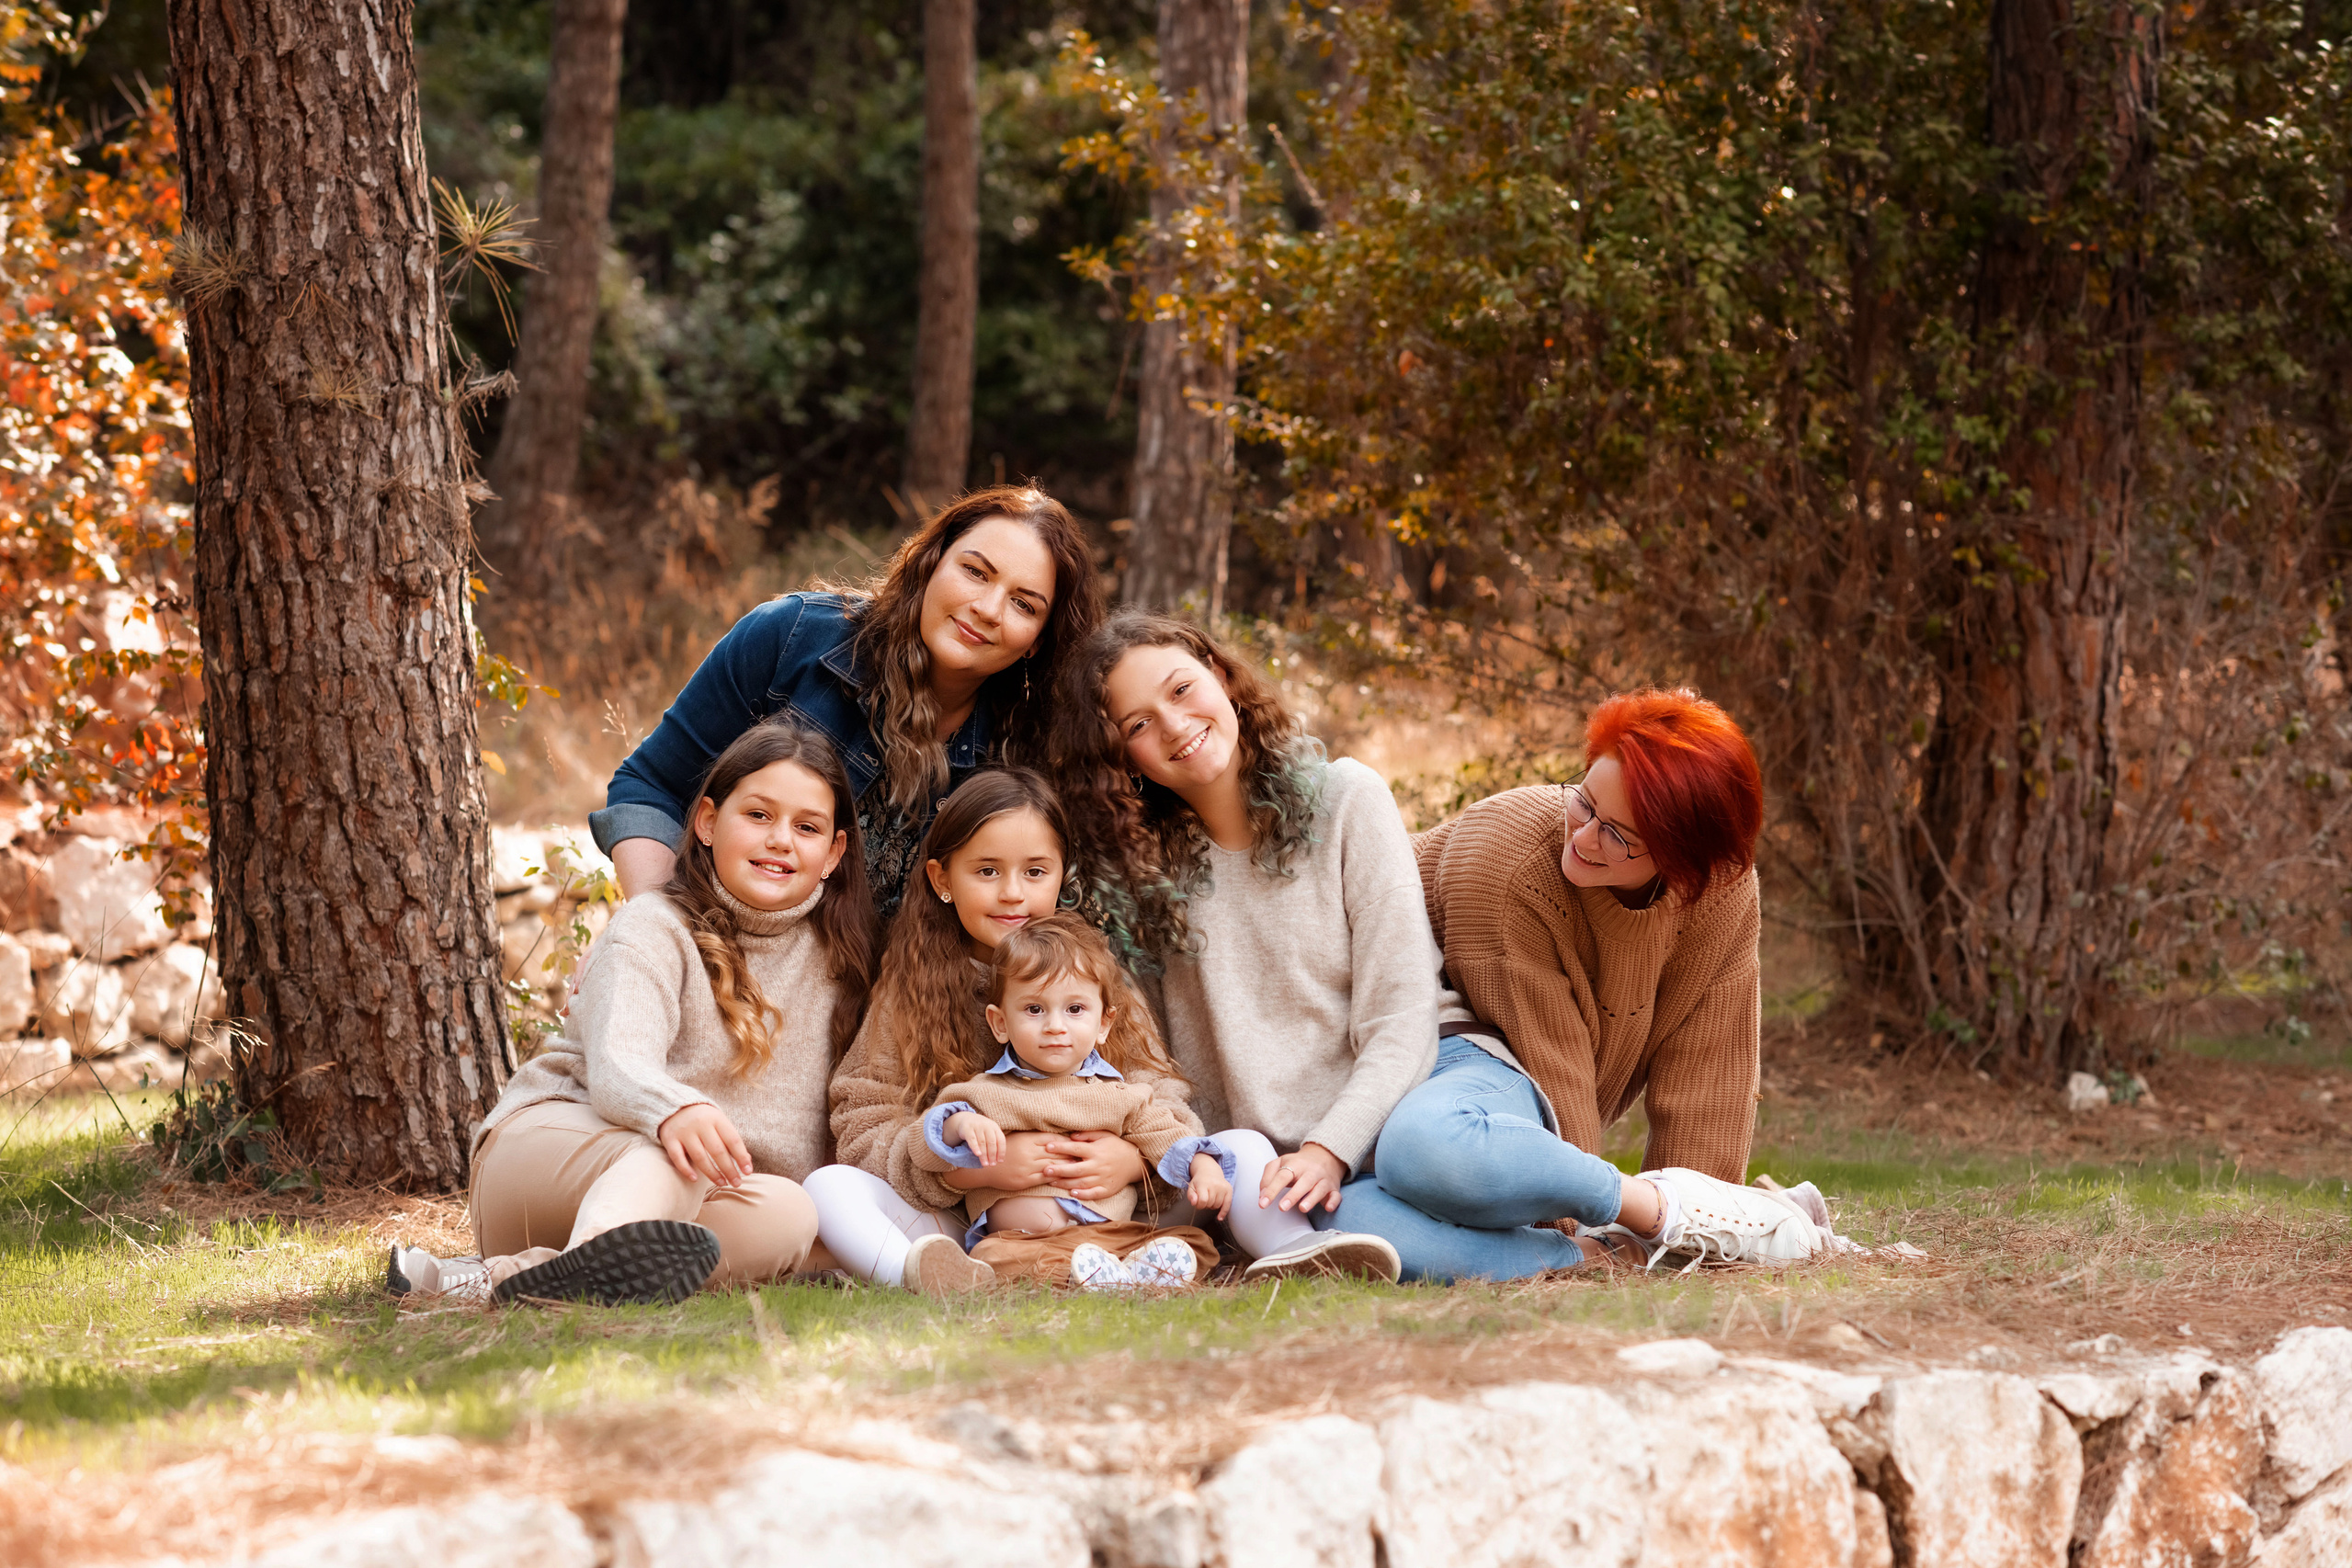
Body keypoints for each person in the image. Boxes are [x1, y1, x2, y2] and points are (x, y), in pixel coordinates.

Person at [1060, 615, 1824, 1283]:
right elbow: (1153, 1062)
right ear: (1121, 755)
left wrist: (1331, 1145)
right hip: (1292, 1159)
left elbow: (1403, 1017)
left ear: (1221, 676)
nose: (1171, 724)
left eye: (1181, 689)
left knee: (1423, 1150)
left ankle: (1671, 1210)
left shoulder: (1343, 798)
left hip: (1436, 1076)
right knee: (1357, 1240)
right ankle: (1599, 1256)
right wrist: (1200, 1159)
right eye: (1135, 723)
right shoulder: (1131, 878)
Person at [1339, 686, 1828, 1278]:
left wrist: (1704, 1228)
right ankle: (1599, 1253)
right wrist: (1564, 1219)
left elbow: (1710, 1070)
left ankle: (1699, 1232)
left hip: (1468, 1089)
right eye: (1586, 801)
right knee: (1348, 1225)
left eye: (1621, 835)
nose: (1586, 836)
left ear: (1684, 861)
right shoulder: (1509, 858)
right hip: (1394, 1057)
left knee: (1413, 1169)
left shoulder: (1720, 892)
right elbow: (1551, 1069)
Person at [387, 720, 879, 1305]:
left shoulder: (843, 963)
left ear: (834, 853)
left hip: (689, 1193)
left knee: (789, 1215)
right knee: (674, 1149)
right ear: (706, 823)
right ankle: (581, 1275)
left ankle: (508, 1277)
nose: (780, 840)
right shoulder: (654, 926)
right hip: (551, 1157)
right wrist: (677, 1111)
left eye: (807, 827)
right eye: (758, 816)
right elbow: (622, 1070)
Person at [590, 485, 1104, 917]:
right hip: (729, 947)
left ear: (1038, 638)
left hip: (882, 1008)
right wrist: (655, 927)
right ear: (931, 563)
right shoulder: (790, 639)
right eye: (975, 571)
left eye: (1022, 604)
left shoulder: (1028, 743)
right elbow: (649, 787)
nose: (988, 609)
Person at [808, 769, 1189, 1292]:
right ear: (943, 880)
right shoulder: (911, 986)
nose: (1013, 894)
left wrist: (1132, 1162)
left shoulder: (1096, 973)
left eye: (1036, 872)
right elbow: (861, 1119)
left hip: (1109, 1214)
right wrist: (971, 1171)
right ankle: (929, 1276)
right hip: (977, 1223)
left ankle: (1118, 1264)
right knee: (830, 1188)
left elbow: (1162, 1091)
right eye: (987, 871)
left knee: (1234, 1152)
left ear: (1062, 875)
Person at [915, 913, 1226, 1290]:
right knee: (991, 1258)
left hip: (1106, 1238)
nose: (1055, 1026)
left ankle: (1112, 1272)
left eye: (1075, 1009)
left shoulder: (1119, 1096)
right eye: (1034, 1009)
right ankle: (1107, 1276)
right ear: (1000, 1024)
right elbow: (927, 1145)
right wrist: (961, 1126)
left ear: (1104, 1024)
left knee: (1198, 1244)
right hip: (1024, 1243)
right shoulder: (985, 1094)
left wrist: (1205, 1167)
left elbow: (1169, 1136)